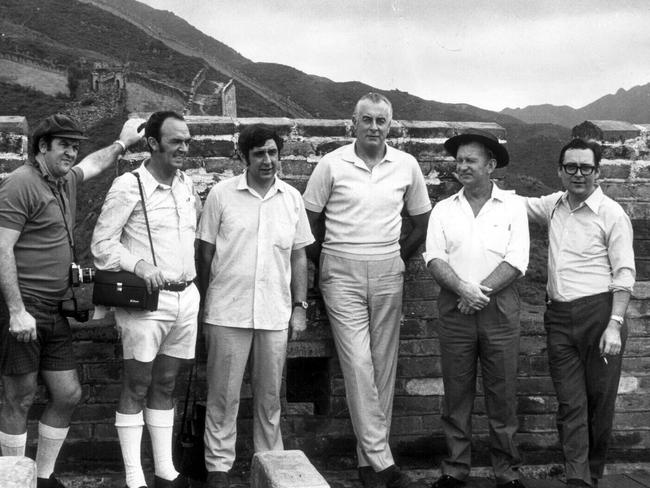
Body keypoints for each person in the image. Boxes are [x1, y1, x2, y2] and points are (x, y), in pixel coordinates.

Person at [0, 113, 143, 488]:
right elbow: (2, 249)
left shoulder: (64, 180)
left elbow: (94, 163)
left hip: (56, 309)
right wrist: (16, 311)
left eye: (74, 145)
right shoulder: (20, 184)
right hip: (25, 309)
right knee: (19, 397)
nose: (71, 151)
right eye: (63, 144)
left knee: (67, 394)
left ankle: (42, 477)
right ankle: (15, 480)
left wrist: (123, 142)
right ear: (42, 146)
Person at [303, 93, 431, 488]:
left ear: (390, 125)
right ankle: (383, 461)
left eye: (381, 121)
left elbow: (422, 223)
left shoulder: (406, 165)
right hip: (340, 272)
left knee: (382, 366)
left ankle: (367, 464)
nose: (374, 127)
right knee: (358, 364)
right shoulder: (331, 164)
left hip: (388, 269)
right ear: (352, 123)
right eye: (367, 120)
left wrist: (396, 257)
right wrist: (328, 261)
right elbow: (307, 225)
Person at [197, 123, 313, 488]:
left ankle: (270, 464)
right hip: (226, 312)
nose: (267, 160)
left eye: (273, 153)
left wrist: (300, 307)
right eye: (259, 153)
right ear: (244, 157)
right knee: (222, 396)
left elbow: (298, 257)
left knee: (269, 399)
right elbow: (204, 252)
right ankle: (218, 469)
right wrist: (206, 303)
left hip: (274, 313)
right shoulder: (221, 195)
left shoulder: (292, 198)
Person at [91, 111, 201, 488]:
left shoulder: (187, 185)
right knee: (136, 385)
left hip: (185, 298)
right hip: (145, 303)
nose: (184, 148)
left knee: (166, 384)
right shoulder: (129, 185)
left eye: (187, 141)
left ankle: (164, 469)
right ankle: (134, 476)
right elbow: (102, 244)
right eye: (176, 142)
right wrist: (138, 264)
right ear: (153, 144)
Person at [524, 138, 635, 487]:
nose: (578, 174)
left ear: (598, 172)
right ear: (559, 171)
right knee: (570, 403)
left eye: (586, 168)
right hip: (558, 317)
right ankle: (577, 477)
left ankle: (593, 475)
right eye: (570, 167)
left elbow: (625, 274)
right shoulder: (553, 205)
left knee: (599, 404)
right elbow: (513, 206)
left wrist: (614, 325)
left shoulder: (612, 214)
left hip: (600, 315)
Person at [423, 129, 529, 488]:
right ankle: (454, 469)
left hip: (499, 309)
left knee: (502, 394)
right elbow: (434, 258)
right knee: (456, 393)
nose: (462, 166)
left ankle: (507, 472)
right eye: (459, 161)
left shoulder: (514, 207)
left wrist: (477, 292)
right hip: (455, 309)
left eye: (470, 160)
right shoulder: (443, 210)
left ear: (491, 165)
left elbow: (517, 260)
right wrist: (462, 290)